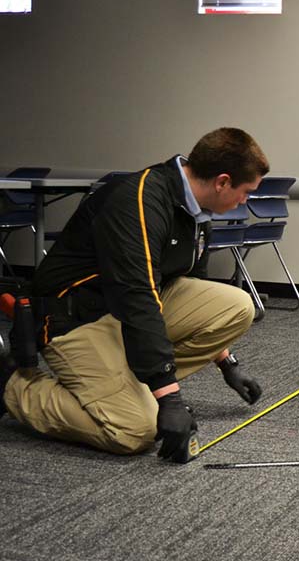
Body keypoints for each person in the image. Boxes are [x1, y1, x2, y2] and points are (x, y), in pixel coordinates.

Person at [0, 127, 269, 463]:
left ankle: (129, 383)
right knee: (135, 430)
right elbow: (138, 296)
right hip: (75, 317)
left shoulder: (198, 213)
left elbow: (187, 288)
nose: (245, 201)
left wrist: (226, 362)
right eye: (246, 192)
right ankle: (13, 387)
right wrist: (168, 398)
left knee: (238, 306)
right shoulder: (141, 200)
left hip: (121, 312)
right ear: (223, 181)